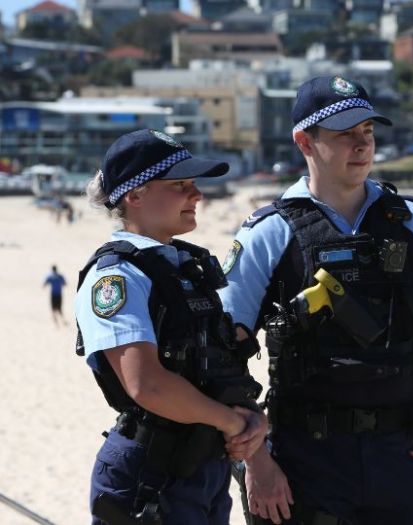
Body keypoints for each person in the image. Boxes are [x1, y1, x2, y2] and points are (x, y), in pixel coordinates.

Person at [220, 76, 413, 525]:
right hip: (303, 461)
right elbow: (223, 358)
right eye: (345, 135)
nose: (361, 146)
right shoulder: (269, 233)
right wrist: (256, 464)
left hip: (401, 455)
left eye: (368, 133)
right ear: (305, 141)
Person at [74, 129, 268, 524]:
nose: (196, 195)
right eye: (179, 185)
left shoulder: (186, 268)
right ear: (135, 194)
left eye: (194, 184)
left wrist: (251, 420)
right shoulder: (117, 277)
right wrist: (232, 423)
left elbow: (214, 366)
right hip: (152, 472)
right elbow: (148, 385)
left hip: (203, 464)